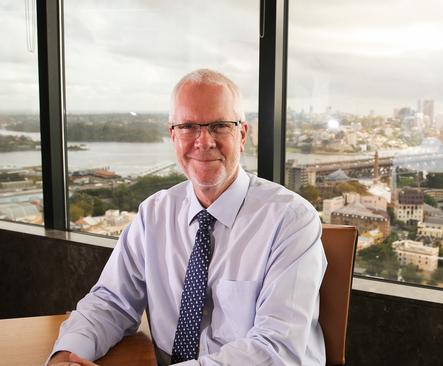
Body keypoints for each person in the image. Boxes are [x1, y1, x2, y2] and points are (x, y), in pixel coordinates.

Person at [47, 69, 327, 366]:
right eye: (188, 126)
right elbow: (110, 303)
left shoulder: (291, 220)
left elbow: (276, 349)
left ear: (242, 135)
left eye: (220, 126)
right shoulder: (154, 214)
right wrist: (67, 356)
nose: (203, 141)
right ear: (173, 136)